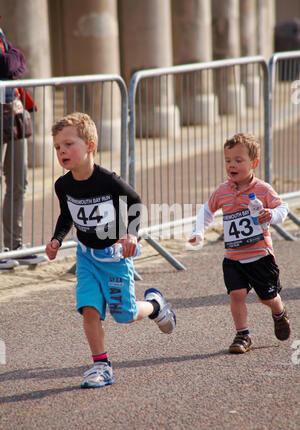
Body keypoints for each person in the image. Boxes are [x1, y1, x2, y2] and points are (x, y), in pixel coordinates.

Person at [46, 112, 176, 388]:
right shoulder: (63, 185)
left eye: (69, 144)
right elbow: (66, 215)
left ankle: (155, 306)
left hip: (114, 257)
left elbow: (136, 204)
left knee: (125, 315)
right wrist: (57, 239)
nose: (62, 151)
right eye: (58, 147)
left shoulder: (108, 181)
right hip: (86, 258)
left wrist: (131, 233)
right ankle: (101, 366)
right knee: (89, 310)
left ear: (90, 145)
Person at [189, 133, 291, 354]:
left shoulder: (263, 189)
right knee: (236, 294)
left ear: (253, 163)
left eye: (238, 160)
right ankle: (243, 335)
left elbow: (283, 209)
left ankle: (279, 312)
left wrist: (270, 215)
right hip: (233, 258)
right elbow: (207, 210)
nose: (231, 165)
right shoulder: (223, 191)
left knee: (268, 298)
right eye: (228, 161)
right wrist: (198, 232)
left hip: (260, 257)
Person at [0, 22, 45, 268]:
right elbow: (8, 64)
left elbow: (16, 60)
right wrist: (12, 60)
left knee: (19, 181)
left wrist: (12, 59)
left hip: (12, 112)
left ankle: (15, 245)